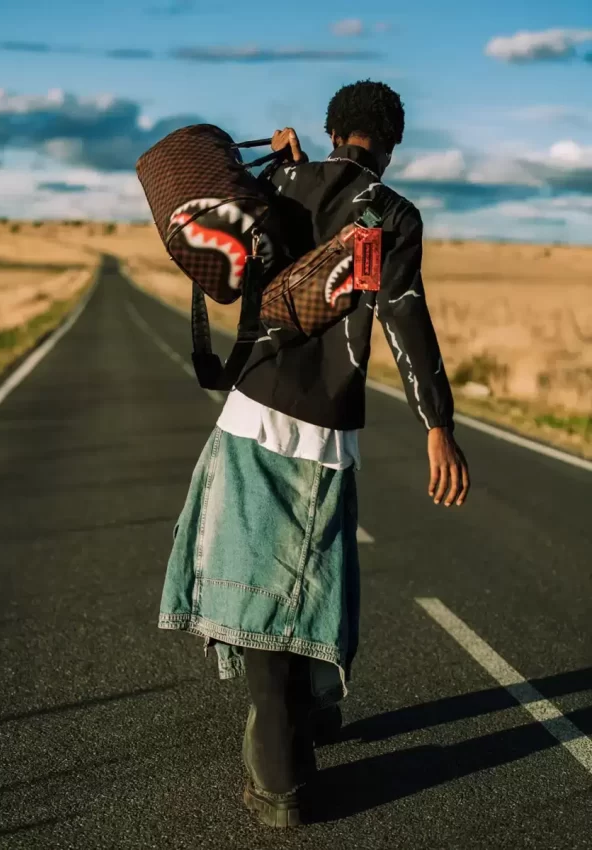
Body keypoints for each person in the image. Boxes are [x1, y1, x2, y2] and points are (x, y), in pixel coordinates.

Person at [158, 80, 470, 828]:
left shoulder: (281, 181)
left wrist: (276, 166)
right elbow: (403, 317)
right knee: (306, 587)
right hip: (325, 432)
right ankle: (301, 744)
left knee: (256, 591)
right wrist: (439, 423)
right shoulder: (393, 215)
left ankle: (279, 787)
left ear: (333, 131)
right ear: (391, 146)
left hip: (246, 414)